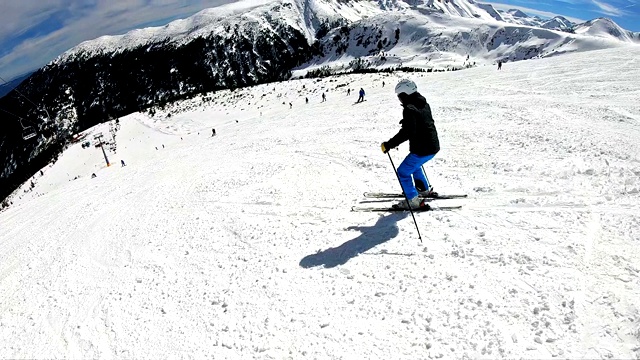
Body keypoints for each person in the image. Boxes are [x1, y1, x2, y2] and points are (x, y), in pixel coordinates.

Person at [381, 79, 439, 209]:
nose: (399, 99)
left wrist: (389, 144)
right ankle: (423, 189)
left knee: (402, 172)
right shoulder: (423, 103)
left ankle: (412, 200)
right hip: (433, 146)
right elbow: (422, 121)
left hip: (422, 149)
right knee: (414, 166)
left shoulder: (409, 109)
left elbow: (408, 132)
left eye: (400, 96)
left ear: (405, 94)